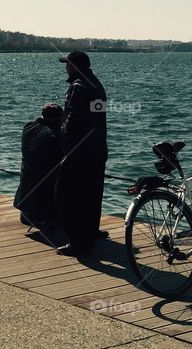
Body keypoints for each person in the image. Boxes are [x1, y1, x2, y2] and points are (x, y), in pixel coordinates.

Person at [56, 51, 109, 256]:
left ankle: (78, 242)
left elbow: (72, 120)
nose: (65, 68)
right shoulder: (97, 85)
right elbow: (97, 117)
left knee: (68, 196)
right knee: (92, 194)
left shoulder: (78, 87)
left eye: (68, 64)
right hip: (98, 149)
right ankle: (91, 232)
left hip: (79, 152)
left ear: (76, 67)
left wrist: (64, 144)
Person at [14, 103, 63, 230]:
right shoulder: (54, 135)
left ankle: (30, 213)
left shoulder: (29, 127)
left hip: (26, 186)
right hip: (44, 186)